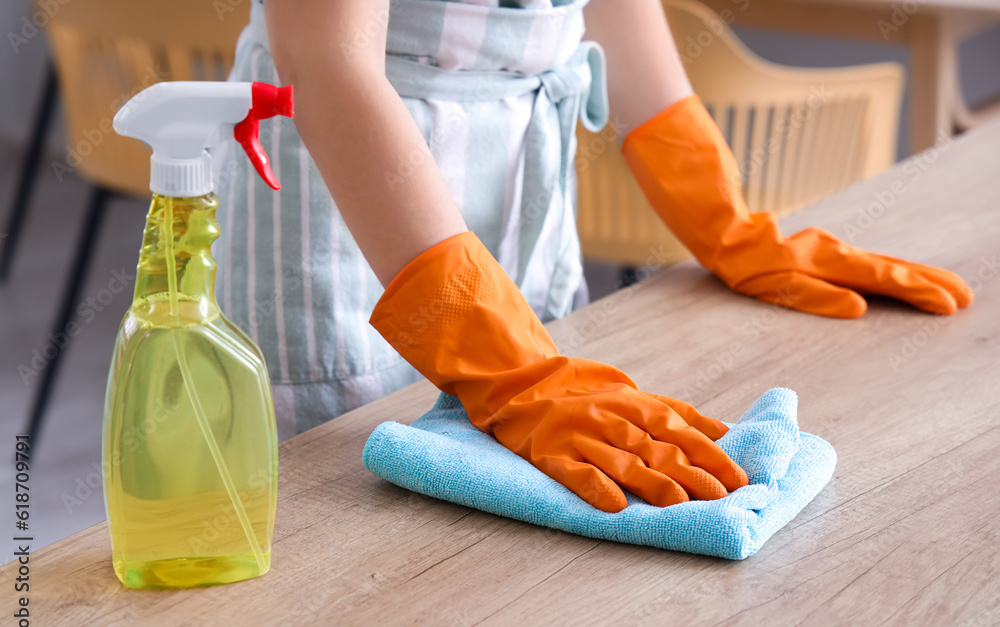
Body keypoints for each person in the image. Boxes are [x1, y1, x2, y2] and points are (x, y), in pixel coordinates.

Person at [214, 0, 972, 513]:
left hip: (521, 155)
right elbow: (327, 62)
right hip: (344, 193)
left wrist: (718, 212)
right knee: (347, 529)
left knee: (529, 523)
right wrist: (514, 368)